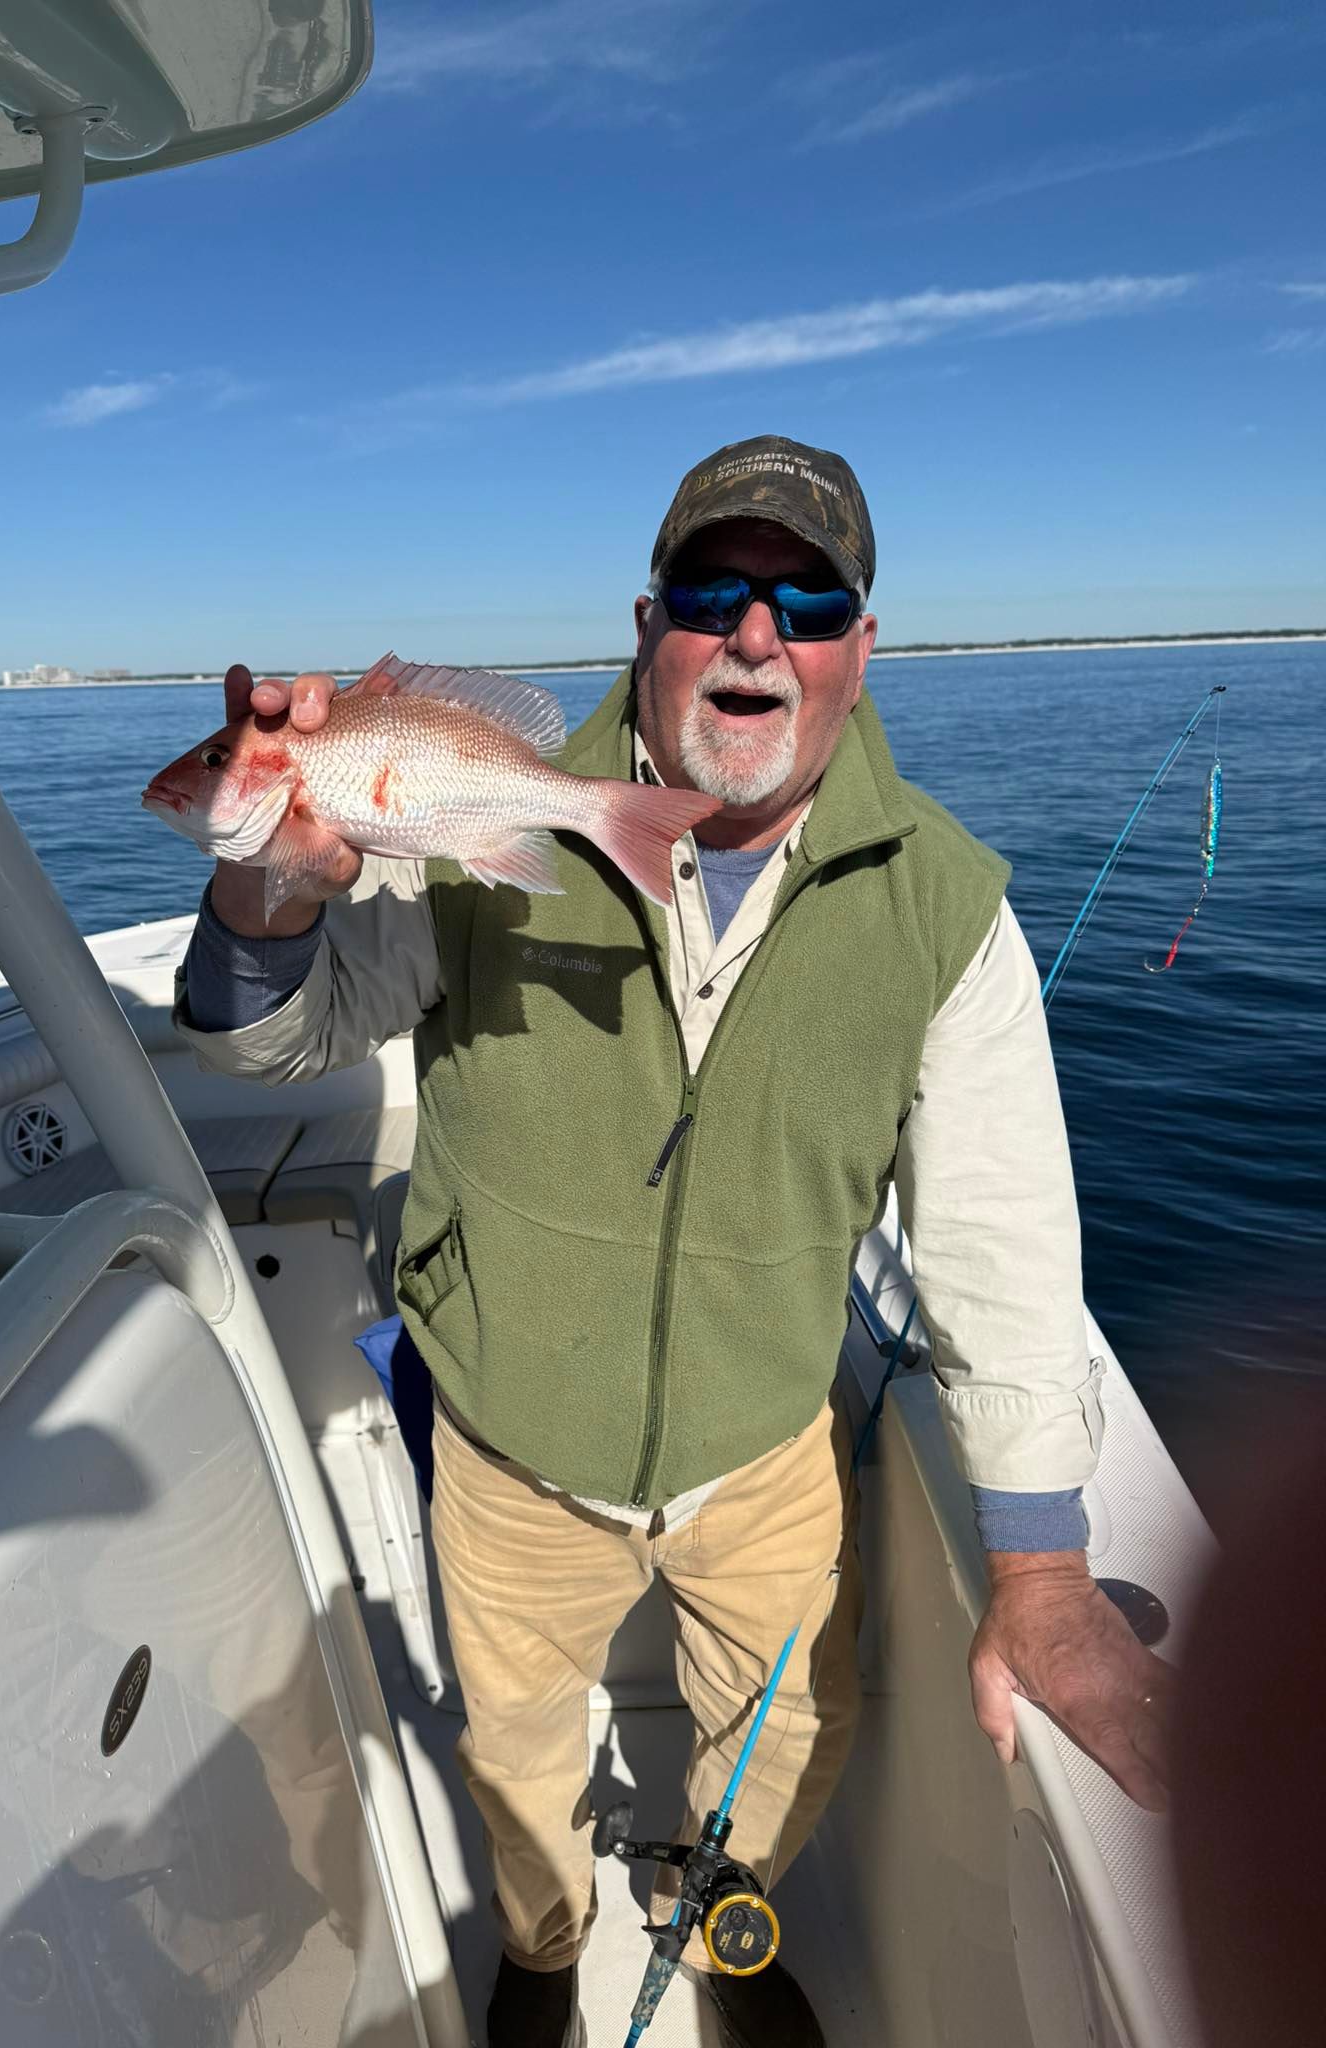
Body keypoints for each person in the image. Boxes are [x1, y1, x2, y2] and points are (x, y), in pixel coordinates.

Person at [173, 435, 1173, 2048]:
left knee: (792, 1733)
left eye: (808, 597)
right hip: (506, 1448)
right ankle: (549, 1943)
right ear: (649, 626)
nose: (756, 632)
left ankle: (731, 1930)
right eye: (715, 591)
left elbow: (999, 1237)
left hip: (765, 1447)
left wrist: (1043, 1565)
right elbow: (265, 1048)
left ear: (861, 646)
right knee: (509, 1745)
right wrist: (275, 902)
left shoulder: (949, 911)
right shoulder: (469, 830)